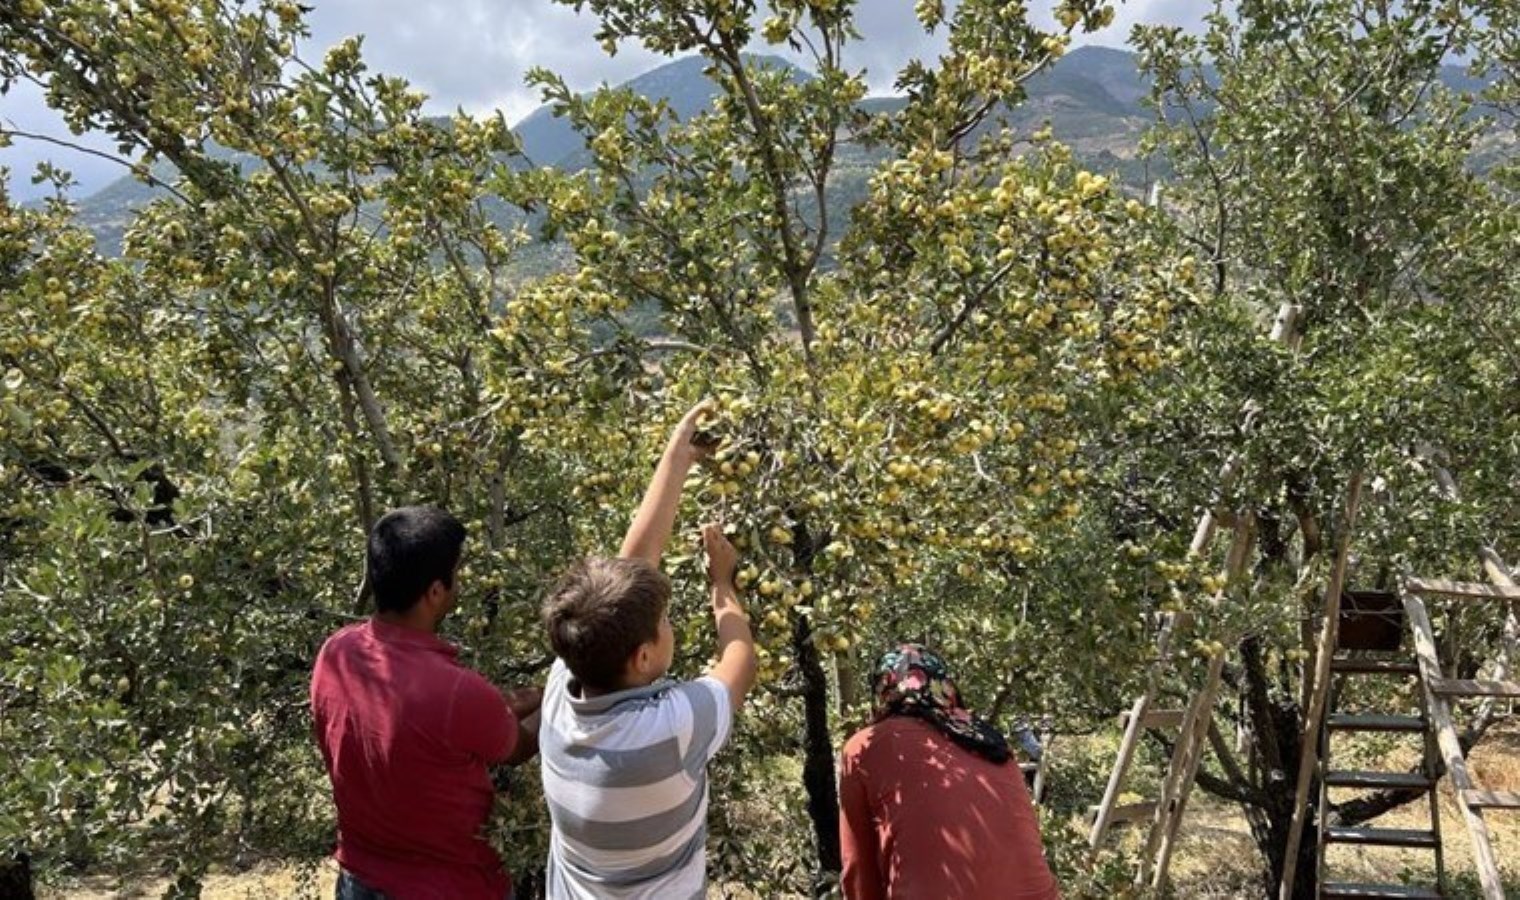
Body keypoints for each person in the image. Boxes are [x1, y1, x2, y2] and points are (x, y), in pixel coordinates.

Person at [538, 400, 757, 899]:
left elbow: (632, 566)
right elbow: (740, 664)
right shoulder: (668, 731)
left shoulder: (563, 688)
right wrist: (723, 584)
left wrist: (678, 457)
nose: (669, 624)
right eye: (664, 622)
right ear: (642, 658)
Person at [311, 506, 543, 900]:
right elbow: (519, 747)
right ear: (435, 591)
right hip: (451, 888)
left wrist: (535, 694)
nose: (460, 583)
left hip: (359, 882)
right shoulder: (456, 692)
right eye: (456, 573)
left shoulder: (336, 652)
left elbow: (454, 719)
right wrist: (565, 694)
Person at [839, 643, 1061, 900]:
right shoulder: (987, 738)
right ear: (945, 686)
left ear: (884, 691)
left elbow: (858, 874)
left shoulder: (863, 747)